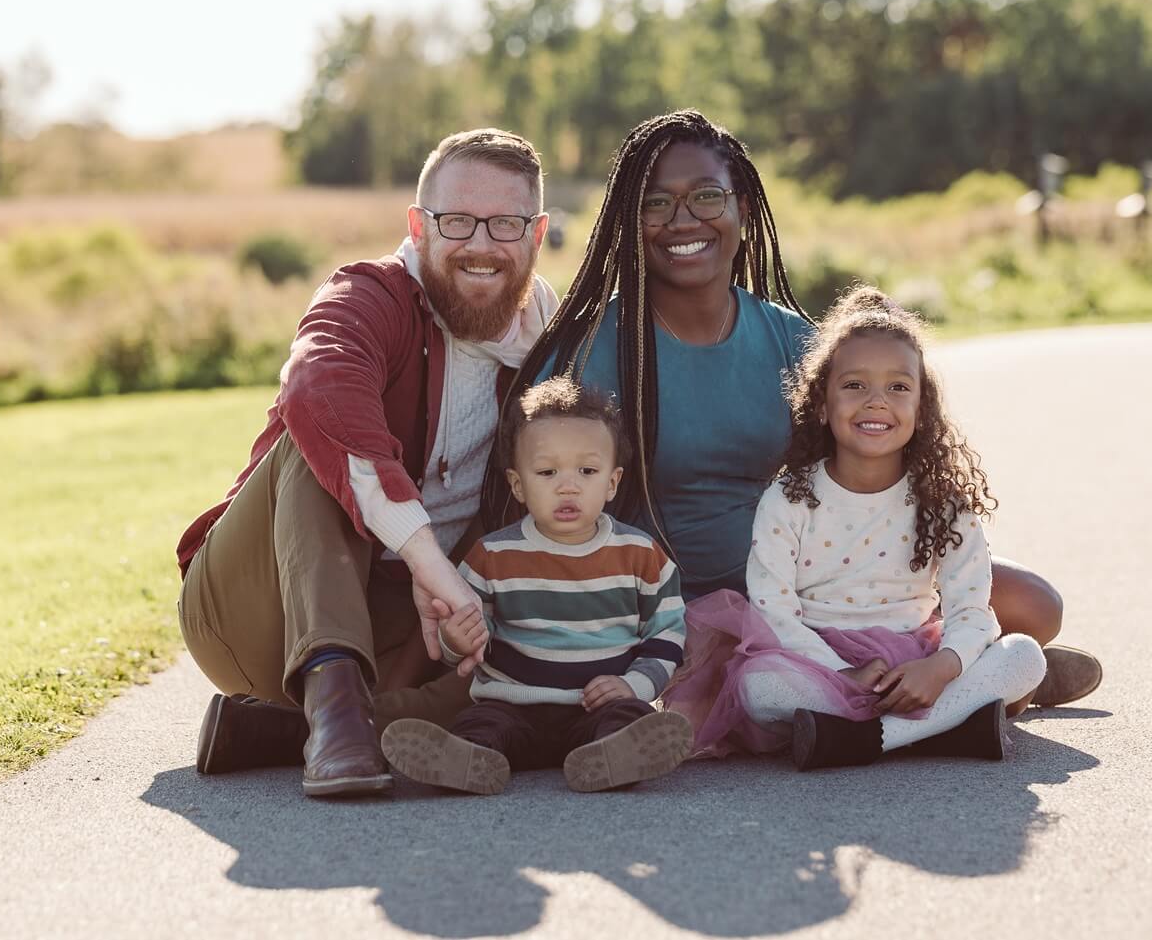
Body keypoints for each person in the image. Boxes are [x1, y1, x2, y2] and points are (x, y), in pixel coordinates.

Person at [481, 109, 1100, 710]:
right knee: (704, 681)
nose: (681, 219)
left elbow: (884, 457)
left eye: (705, 197)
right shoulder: (590, 348)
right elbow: (529, 491)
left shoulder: (793, 342)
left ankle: (972, 672)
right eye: (656, 203)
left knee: (1033, 603)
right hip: (669, 599)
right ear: (629, 222)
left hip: (824, 585)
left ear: (742, 210)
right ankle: (991, 683)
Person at [176, 128, 560, 798]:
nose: (481, 243)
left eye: (505, 223)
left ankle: (287, 729)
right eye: (457, 221)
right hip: (257, 605)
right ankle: (330, 705)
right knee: (319, 429)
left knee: (548, 656)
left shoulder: (547, 335)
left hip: (405, 638)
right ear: (418, 225)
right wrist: (428, 561)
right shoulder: (371, 293)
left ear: (537, 232)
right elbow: (315, 383)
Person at [664, 287, 1047, 765]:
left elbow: (971, 609)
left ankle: (865, 738)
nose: (876, 402)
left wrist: (940, 668)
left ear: (922, 409)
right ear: (822, 405)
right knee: (759, 687)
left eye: (898, 387)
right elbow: (773, 610)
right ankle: (946, 727)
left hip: (917, 659)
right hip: (817, 660)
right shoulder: (789, 498)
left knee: (1025, 656)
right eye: (854, 386)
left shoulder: (943, 503)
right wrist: (843, 672)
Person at [380, 378, 692, 794]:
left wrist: (634, 685)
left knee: (625, 719)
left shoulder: (641, 554)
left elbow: (667, 632)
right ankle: (468, 761)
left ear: (613, 482)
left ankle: (613, 759)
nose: (568, 485)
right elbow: (467, 640)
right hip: (512, 705)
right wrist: (456, 640)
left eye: (587, 471)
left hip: (597, 706)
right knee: (481, 725)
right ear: (518, 485)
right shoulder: (491, 556)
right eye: (547, 472)